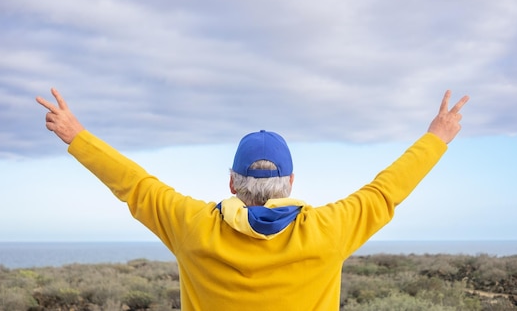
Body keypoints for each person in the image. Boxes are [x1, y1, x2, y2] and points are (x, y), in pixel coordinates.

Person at [36, 88, 468, 311]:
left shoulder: (193, 227)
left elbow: (135, 185)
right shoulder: (328, 231)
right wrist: (437, 137)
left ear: (231, 183)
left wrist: (77, 136)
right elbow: (386, 190)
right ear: (291, 181)